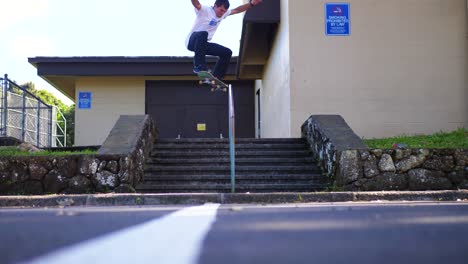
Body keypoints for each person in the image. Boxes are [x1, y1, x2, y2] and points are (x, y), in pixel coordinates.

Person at [187, 0, 263, 80]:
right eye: (221, 10)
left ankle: (217, 77)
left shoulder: (224, 13)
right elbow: (196, 4)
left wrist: (251, 4)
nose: (222, 13)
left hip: (203, 44)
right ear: (215, 6)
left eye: (224, 11)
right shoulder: (205, 10)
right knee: (203, 34)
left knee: (227, 53)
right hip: (192, 41)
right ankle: (198, 66)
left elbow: (237, 10)